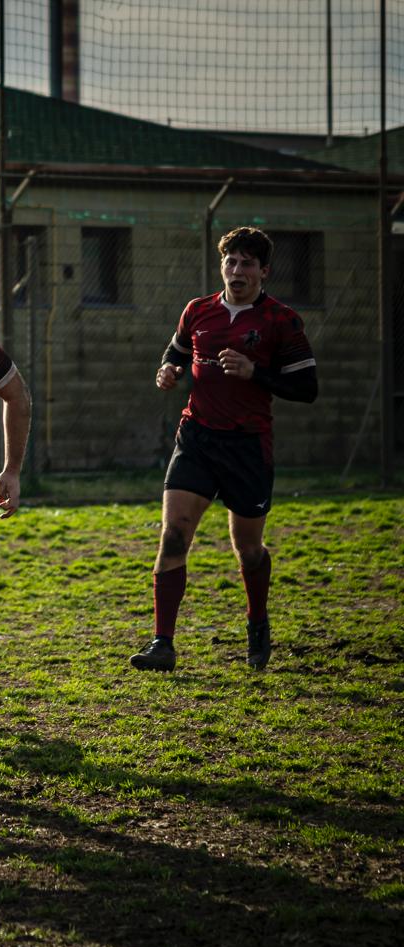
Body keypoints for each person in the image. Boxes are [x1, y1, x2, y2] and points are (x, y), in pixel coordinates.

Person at [130, 227, 317, 672]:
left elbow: (307, 388)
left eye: (247, 263)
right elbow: (175, 353)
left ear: (264, 271)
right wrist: (167, 371)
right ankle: (162, 643)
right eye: (230, 261)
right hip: (197, 438)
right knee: (173, 536)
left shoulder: (281, 320)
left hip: (248, 446)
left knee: (248, 549)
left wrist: (256, 373)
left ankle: (257, 621)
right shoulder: (198, 310)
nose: (237, 270)